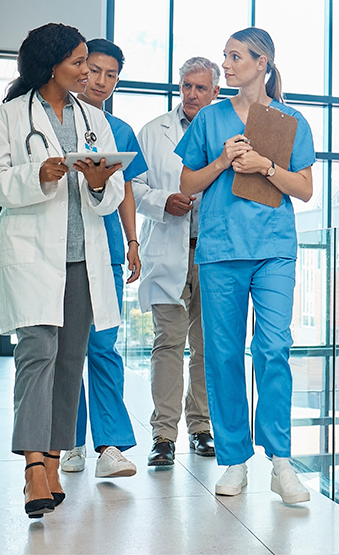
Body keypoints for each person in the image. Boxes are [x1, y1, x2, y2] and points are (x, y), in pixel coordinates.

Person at [0, 23, 124, 518]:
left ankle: (55, 459)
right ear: (51, 64)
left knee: (70, 360)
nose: (88, 72)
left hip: (83, 259)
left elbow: (114, 193)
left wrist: (102, 183)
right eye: (80, 63)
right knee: (37, 352)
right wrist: (33, 175)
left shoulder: (93, 119)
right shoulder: (9, 118)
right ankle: (32, 464)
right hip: (34, 257)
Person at [176, 28, 315, 504]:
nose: (227, 66)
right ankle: (235, 459)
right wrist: (222, 161)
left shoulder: (291, 119)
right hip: (219, 250)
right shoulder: (210, 119)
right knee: (223, 355)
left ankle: (280, 461)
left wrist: (264, 167)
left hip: (274, 247)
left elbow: (304, 189)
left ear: (263, 62)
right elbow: (189, 181)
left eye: (236, 57)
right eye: (226, 57)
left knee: (274, 347)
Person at [58, 38, 145, 478]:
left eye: (112, 75)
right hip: (61, 249)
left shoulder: (121, 129)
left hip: (106, 248)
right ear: (78, 68)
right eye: (94, 70)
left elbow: (126, 189)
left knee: (102, 345)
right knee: (66, 347)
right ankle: (70, 441)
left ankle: (109, 446)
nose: (102, 81)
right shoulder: (55, 122)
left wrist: (131, 242)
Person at [134, 56, 222, 467]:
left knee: (206, 347)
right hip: (168, 249)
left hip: (214, 255)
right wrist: (160, 200)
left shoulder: (228, 131)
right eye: (186, 85)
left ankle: (201, 427)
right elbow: (130, 187)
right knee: (168, 343)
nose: (191, 94)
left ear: (215, 92)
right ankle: (163, 435)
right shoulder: (154, 133)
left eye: (200, 88)